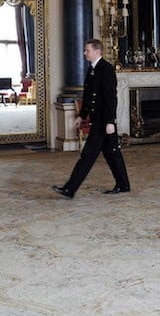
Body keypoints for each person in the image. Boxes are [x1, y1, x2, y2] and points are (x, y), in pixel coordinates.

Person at [53, 38, 130, 199]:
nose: (84, 53)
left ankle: (70, 189)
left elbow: (111, 98)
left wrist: (110, 121)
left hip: (103, 122)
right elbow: (89, 97)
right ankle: (123, 185)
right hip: (97, 119)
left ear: (97, 51)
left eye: (87, 50)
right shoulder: (92, 70)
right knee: (112, 153)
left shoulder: (106, 69)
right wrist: (81, 116)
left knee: (88, 155)